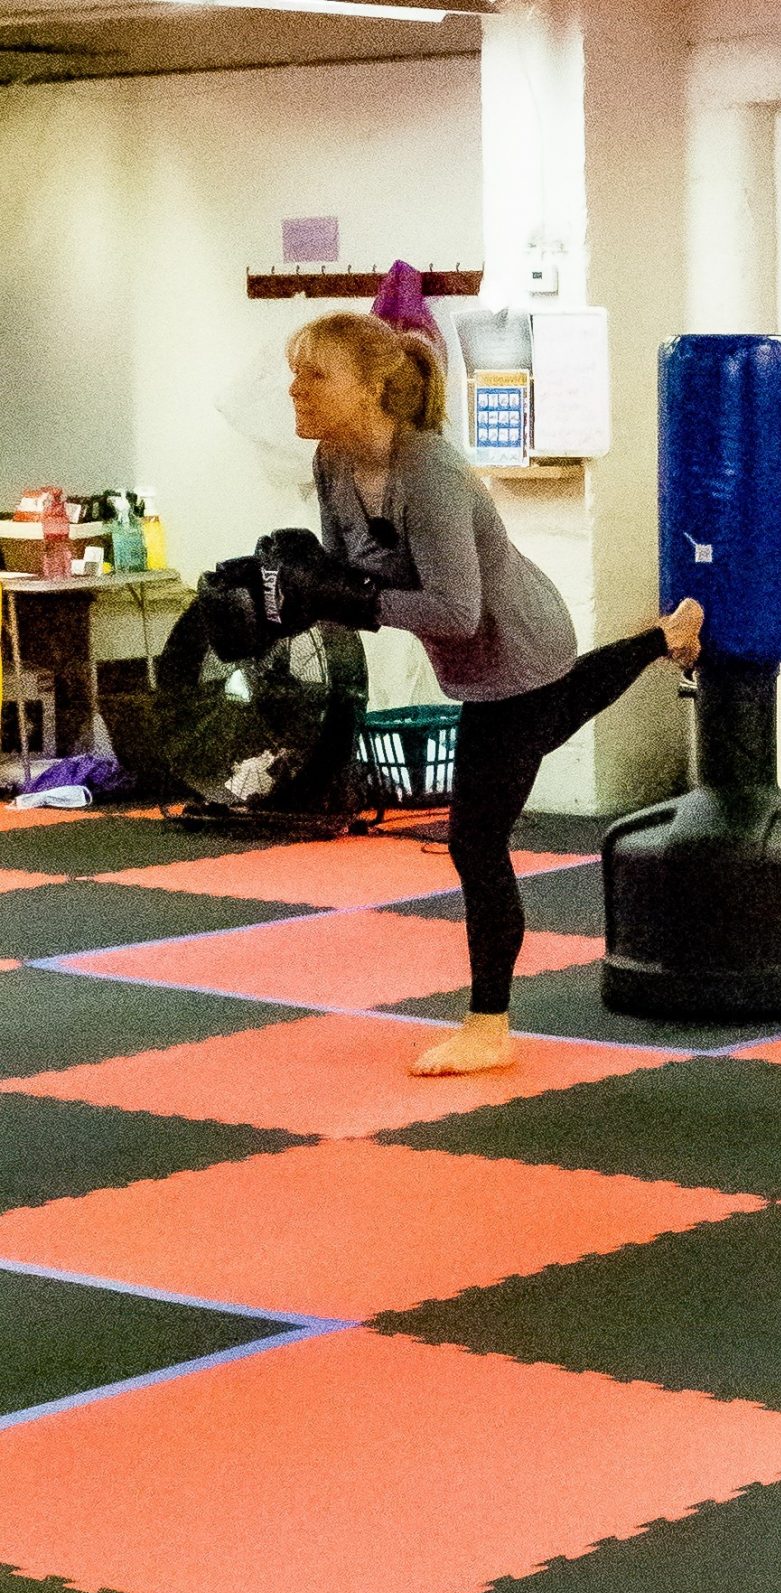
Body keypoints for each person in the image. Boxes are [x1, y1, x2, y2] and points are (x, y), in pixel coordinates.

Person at [210, 312, 702, 1077]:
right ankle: (665, 638)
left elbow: (454, 608)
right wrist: (288, 598)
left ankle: (489, 1026)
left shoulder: (429, 470)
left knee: (477, 838)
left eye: (315, 374)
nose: (294, 389)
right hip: (474, 664)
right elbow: (352, 583)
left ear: (372, 386)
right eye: (295, 372)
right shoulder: (332, 463)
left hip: (516, 647)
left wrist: (347, 596)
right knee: (560, 713)